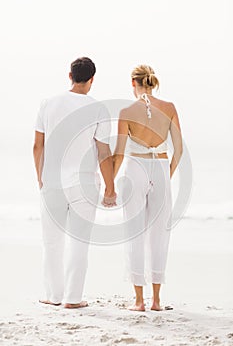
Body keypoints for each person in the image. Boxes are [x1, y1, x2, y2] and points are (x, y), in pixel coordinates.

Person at [33, 57, 116, 309]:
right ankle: (72, 298)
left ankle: (53, 295)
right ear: (91, 80)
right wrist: (110, 188)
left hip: (52, 183)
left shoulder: (47, 104)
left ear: (69, 75)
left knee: (51, 241)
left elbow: (38, 146)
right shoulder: (99, 108)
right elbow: (104, 153)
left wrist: (41, 177)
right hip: (84, 186)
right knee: (80, 242)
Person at [113, 64, 183, 311]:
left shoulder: (126, 110)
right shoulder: (170, 108)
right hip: (161, 167)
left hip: (135, 169)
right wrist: (165, 175)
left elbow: (119, 154)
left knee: (134, 233)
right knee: (159, 235)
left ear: (134, 83)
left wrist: (109, 183)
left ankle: (139, 301)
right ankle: (156, 300)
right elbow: (179, 150)